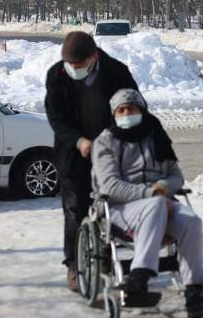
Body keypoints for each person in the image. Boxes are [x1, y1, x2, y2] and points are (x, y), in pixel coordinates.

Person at [91, 88, 203, 318]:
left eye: (131, 109)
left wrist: (164, 187)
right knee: (154, 206)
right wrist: (151, 193)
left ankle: (195, 292)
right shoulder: (105, 142)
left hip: (162, 204)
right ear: (113, 114)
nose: (126, 113)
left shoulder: (156, 137)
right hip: (119, 208)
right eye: (121, 110)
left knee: (192, 221)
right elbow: (110, 187)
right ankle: (139, 277)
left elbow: (176, 176)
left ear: (142, 111)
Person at [45, 31, 138, 291]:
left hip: (111, 154)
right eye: (69, 64)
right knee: (75, 210)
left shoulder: (117, 73)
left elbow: (133, 107)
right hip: (74, 154)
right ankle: (74, 264)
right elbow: (56, 117)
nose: (72, 69)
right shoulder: (57, 75)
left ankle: (107, 258)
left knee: (110, 209)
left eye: (78, 65)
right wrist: (79, 140)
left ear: (93, 58)